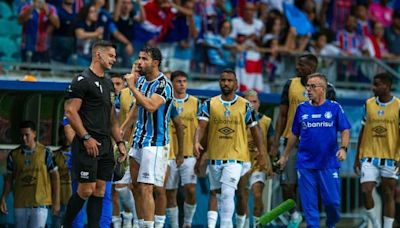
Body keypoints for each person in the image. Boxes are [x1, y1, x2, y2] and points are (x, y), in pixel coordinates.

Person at [63, 40, 127, 228]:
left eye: (115, 56)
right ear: (98, 55)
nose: (114, 60)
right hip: (87, 144)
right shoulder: (81, 81)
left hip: (106, 145)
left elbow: (112, 119)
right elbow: (70, 112)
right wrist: (85, 137)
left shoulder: (108, 84)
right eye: (111, 55)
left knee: (100, 190)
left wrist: (120, 142)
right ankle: (65, 225)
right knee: (86, 189)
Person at [194, 69, 270, 227]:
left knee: (229, 193)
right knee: (218, 194)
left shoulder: (245, 106)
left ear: (236, 84)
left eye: (229, 80)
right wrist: (196, 142)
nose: (226, 83)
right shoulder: (209, 103)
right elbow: (201, 126)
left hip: (236, 158)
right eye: (223, 80)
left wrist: (262, 153)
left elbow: (256, 130)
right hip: (215, 157)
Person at [270, 53, 336, 227]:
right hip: (291, 142)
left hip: (316, 145)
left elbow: (333, 119)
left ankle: (312, 218)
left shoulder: (327, 88)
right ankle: (294, 215)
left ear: (312, 68)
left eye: (302, 65)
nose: (297, 68)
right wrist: (276, 143)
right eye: (297, 65)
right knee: (286, 185)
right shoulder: (289, 85)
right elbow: (282, 115)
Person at [277, 73, 351, 228]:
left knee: (333, 202)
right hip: (305, 164)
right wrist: (284, 156)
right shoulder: (301, 109)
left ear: (322, 89)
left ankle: (331, 224)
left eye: (312, 86)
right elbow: (294, 134)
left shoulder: (335, 108)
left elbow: (345, 130)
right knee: (310, 206)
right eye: (307, 86)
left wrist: (343, 148)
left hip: (328, 163)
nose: (308, 89)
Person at [124, 47, 176, 227]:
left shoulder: (164, 85)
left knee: (147, 188)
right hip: (138, 141)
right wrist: (122, 133)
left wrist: (131, 85)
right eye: (139, 58)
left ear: (156, 63)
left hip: (155, 144)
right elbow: (136, 108)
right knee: (136, 187)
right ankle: (141, 224)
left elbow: (151, 106)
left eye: (144, 59)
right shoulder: (142, 82)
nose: (139, 62)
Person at [354, 73, 400, 228]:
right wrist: (356, 157)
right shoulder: (368, 104)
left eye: (377, 85)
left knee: (388, 194)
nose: (373, 88)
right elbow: (362, 129)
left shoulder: (398, 105)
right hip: (369, 156)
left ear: (387, 86)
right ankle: (375, 224)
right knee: (366, 191)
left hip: (391, 157)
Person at [0, 120, 60, 227]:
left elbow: (55, 177)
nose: (24, 138)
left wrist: (56, 201)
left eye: (27, 135)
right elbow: (8, 180)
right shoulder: (13, 155)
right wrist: (3, 198)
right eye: (22, 135)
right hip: (20, 203)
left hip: (40, 204)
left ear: (34, 134)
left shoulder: (46, 152)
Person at [165, 70, 199, 228]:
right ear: (172, 83)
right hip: (169, 154)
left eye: (184, 81)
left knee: (191, 190)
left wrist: (199, 147)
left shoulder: (195, 102)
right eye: (178, 81)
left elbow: (201, 127)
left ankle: (187, 223)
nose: (182, 84)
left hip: (189, 154)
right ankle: (174, 225)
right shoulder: (165, 101)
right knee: (169, 193)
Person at [236, 90, 274, 228]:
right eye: (248, 102)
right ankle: (245, 225)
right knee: (243, 197)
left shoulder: (266, 121)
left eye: (254, 102)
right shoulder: (237, 120)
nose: (252, 105)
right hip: (242, 163)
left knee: (257, 195)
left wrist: (271, 163)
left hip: (259, 164)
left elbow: (271, 145)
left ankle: (258, 225)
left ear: (259, 103)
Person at [110, 73, 137, 228]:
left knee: (131, 187)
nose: (115, 86)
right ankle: (120, 221)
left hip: (133, 146)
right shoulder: (115, 103)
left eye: (118, 83)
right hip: (117, 146)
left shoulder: (129, 99)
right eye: (112, 83)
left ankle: (132, 218)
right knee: (116, 188)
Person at [52, 124, 73, 228]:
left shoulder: (79, 154)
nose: (65, 137)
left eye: (67, 134)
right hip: (59, 202)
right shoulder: (54, 155)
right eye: (62, 134)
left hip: (74, 202)